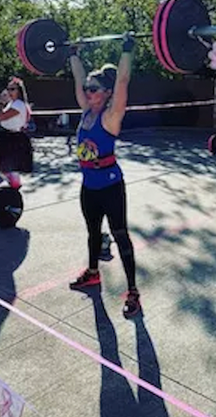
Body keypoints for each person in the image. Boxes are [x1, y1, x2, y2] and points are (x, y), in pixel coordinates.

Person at [67, 37, 141, 319]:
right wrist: (74, 54)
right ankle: (93, 273)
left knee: (120, 235)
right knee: (93, 234)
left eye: (93, 88)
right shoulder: (85, 111)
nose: (87, 91)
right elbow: (77, 78)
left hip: (111, 187)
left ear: (107, 93)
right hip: (89, 187)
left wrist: (127, 49)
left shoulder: (110, 117)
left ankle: (133, 291)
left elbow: (123, 81)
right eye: (86, 88)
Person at [0, 76, 33, 188]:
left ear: (19, 91)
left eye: (12, 89)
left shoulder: (18, 104)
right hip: (7, 135)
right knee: (2, 166)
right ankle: (13, 186)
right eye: (8, 89)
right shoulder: (12, 103)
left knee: (9, 168)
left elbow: (0, 117)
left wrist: (0, 103)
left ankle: (15, 186)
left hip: (13, 137)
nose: (9, 92)